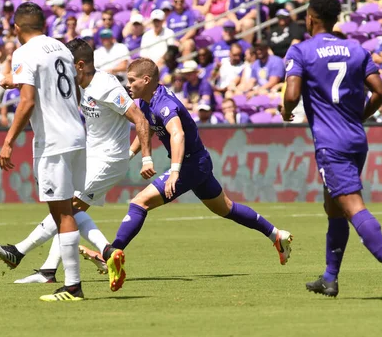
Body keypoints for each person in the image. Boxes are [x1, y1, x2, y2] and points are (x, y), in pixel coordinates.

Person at [0, 38, 153, 284]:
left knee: (67, 208)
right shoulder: (76, 84)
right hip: (90, 156)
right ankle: (54, 269)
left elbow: (140, 119)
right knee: (69, 211)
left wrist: (144, 157)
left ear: (77, 65)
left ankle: (19, 251)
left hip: (107, 160)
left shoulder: (106, 86)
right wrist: (15, 81)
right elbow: (43, 86)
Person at [111, 58, 293, 267]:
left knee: (139, 202)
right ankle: (276, 235)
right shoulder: (145, 101)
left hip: (190, 165)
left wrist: (175, 172)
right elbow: (148, 128)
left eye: (132, 80)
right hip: (198, 162)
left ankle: (111, 253)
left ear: (146, 80)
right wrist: (129, 155)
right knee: (226, 209)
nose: (128, 84)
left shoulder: (164, 103)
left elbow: (177, 134)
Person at [0, 3, 121, 301]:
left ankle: (73, 286)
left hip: (53, 141)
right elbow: (75, 90)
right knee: (69, 209)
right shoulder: (62, 49)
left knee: (62, 211)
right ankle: (98, 255)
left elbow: (26, 103)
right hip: (77, 135)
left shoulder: (23, 53)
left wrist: (9, 140)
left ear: (17, 28)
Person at [282, 0, 382, 300]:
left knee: (351, 206)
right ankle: (330, 278)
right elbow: (379, 93)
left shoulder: (301, 51)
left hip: (330, 144)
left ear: (312, 18)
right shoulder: (357, 50)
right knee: (333, 207)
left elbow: (292, 95)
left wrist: (284, 109)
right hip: (356, 138)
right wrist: (356, 117)